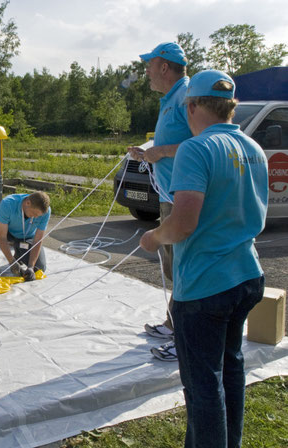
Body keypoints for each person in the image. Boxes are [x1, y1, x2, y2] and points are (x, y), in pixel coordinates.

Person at [140, 70, 268, 448]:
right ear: (233, 107)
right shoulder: (253, 148)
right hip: (247, 275)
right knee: (231, 370)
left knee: (202, 385)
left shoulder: (196, 149)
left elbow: (182, 224)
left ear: (192, 106)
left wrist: (153, 236)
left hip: (205, 285)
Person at [128, 42, 192, 361]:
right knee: (173, 266)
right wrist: (148, 154)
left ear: (164, 66)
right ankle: (173, 323)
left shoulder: (186, 95)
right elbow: (170, 145)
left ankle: (185, 336)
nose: (147, 73)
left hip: (185, 197)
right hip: (170, 195)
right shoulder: (169, 99)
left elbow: (201, 144)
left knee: (185, 267)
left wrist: (162, 151)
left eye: (150, 66)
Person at [0, 192, 51, 280]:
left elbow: (38, 240)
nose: (35, 217)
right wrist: (11, 261)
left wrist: (31, 266)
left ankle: (19, 253)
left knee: (39, 269)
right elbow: (2, 237)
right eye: (34, 214)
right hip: (9, 234)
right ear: (28, 203)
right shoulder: (8, 204)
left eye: (38, 216)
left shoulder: (45, 211)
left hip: (26, 238)